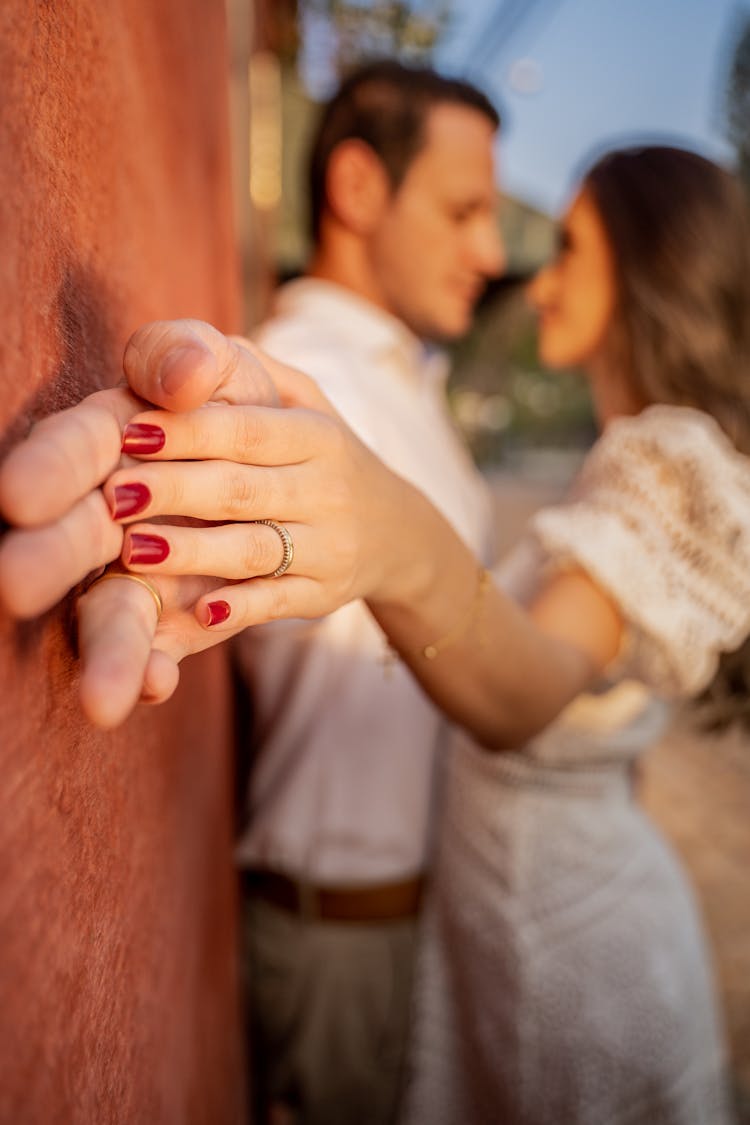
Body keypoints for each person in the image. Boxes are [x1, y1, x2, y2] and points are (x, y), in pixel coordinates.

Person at [2, 144, 747, 1121]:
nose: (528, 270)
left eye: (570, 246)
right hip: (491, 930)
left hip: (575, 949)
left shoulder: (665, 457)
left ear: (655, 263)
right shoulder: (615, 450)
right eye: (468, 212)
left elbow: (529, 693)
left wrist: (390, 535)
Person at [2, 61, 503, 1125]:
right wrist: (163, 501)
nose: (493, 253)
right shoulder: (307, 370)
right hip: (338, 925)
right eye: (464, 211)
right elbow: (246, 419)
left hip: (421, 915)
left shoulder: (408, 377)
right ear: (359, 188)